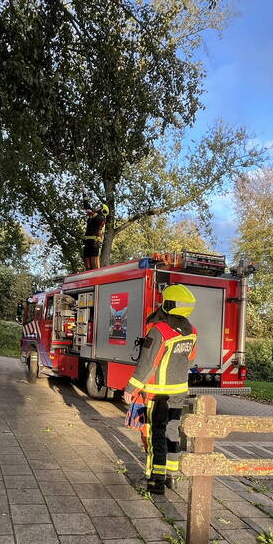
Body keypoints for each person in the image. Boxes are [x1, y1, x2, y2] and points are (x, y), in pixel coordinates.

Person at [124, 284, 197, 495]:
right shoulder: (192, 331)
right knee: (172, 432)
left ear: (168, 304)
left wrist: (131, 387)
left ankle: (155, 482)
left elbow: (148, 363)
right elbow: (190, 359)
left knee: (154, 435)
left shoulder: (159, 330)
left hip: (158, 395)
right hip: (178, 392)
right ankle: (171, 477)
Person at [83, 202, 109, 271]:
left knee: (94, 264)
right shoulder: (93, 216)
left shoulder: (102, 218)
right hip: (87, 242)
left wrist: (92, 213)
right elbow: (87, 207)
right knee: (87, 265)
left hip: (94, 243)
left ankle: (97, 277)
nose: (97, 208)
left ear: (103, 210)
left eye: (100, 207)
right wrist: (84, 194)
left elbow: (99, 220)